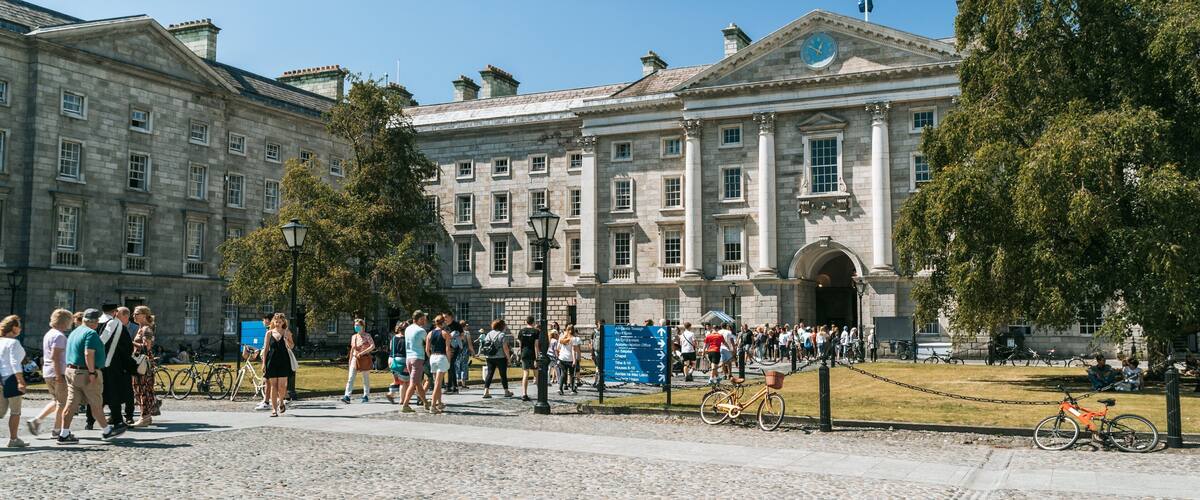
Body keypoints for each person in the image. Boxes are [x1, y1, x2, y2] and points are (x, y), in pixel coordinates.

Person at [58, 309, 122, 444]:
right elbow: (89, 353)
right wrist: (92, 372)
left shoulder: (75, 332)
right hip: (86, 373)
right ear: (94, 321)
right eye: (97, 321)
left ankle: (64, 433)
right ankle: (107, 431)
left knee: (71, 403)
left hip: (71, 371)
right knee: (96, 402)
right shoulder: (91, 333)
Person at [88, 305, 135, 430]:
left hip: (94, 363)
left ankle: (90, 421)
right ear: (115, 312)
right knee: (113, 392)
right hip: (113, 364)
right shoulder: (117, 325)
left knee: (96, 393)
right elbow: (127, 347)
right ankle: (117, 420)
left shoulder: (93, 325)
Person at [27, 309, 71, 438]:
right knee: (62, 404)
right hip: (57, 372)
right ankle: (57, 430)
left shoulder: (49, 334)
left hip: (48, 371)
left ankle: (37, 420)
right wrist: (59, 375)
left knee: (57, 401)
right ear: (65, 322)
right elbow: (55, 356)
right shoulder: (59, 336)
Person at [260, 313, 295, 417]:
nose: (278, 324)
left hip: (284, 361)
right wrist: (263, 363)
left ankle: (281, 402)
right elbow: (266, 349)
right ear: (273, 322)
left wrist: (287, 340)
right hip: (272, 362)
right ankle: (274, 410)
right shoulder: (269, 333)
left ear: (283, 322)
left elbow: (292, 346)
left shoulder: (287, 332)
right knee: (273, 386)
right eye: (276, 322)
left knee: (282, 386)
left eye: (280, 322)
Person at [1, 315, 28, 448]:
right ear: (13, 328)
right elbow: (14, 363)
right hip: (11, 378)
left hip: (0, 378)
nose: (20, 329)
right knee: (15, 411)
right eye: (19, 326)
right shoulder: (14, 343)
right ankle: (13, 439)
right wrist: (20, 380)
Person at [130, 306, 158, 427]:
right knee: (140, 389)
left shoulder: (146, 329)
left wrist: (129, 342)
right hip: (140, 362)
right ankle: (146, 416)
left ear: (144, 315)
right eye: (134, 313)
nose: (134, 315)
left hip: (143, 363)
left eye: (137, 313)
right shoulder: (141, 328)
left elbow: (147, 347)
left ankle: (145, 417)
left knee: (143, 390)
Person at [401, 311, 431, 413]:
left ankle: (426, 403)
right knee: (413, 383)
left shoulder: (407, 329)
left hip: (408, 358)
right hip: (417, 358)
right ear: (418, 319)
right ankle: (405, 405)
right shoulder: (421, 331)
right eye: (422, 319)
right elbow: (427, 344)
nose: (424, 321)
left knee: (418, 383)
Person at [342, 319, 374, 404]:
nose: (356, 327)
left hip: (365, 358)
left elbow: (372, 346)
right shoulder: (354, 337)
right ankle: (347, 396)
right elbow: (352, 349)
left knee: (365, 378)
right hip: (355, 358)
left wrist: (363, 352)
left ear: (362, 326)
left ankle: (366, 395)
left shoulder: (367, 336)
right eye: (355, 325)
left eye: (358, 325)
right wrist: (350, 359)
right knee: (350, 378)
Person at [426, 315, 453, 414]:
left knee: (437, 382)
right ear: (443, 322)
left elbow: (427, 349)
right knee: (438, 383)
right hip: (441, 357)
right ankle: (433, 405)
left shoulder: (429, 333)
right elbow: (447, 349)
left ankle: (440, 402)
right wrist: (449, 359)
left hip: (433, 357)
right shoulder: (445, 333)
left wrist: (430, 357)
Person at [480, 319, 513, 399]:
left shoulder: (488, 334)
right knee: (503, 375)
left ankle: (486, 391)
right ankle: (506, 391)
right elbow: (505, 348)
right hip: (500, 357)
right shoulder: (502, 335)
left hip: (490, 357)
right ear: (501, 326)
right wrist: (509, 359)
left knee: (490, 374)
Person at [516, 316, 540, 402]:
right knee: (537, 374)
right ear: (533, 322)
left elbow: (520, 344)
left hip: (524, 354)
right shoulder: (536, 331)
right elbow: (536, 346)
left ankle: (524, 394)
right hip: (532, 354)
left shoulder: (521, 331)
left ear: (526, 322)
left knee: (525, 373)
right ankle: (540, 394)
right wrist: (537, 358)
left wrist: (520, 354)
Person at [385, 322, 409, 404]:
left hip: (392, 360)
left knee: (397, 380)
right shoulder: (407, 339)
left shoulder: (394, 338)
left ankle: (391, 394)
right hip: (402, 360)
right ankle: (402, 400)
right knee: (404, 382)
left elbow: (391, 348)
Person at [255, 313, 274, 411]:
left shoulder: (271, 331)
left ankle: (267, 401)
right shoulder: (269, 330)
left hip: (270, 359)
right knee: (269, 381)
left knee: (268, 380)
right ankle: (267, 400)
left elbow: (268, 347)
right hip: (268, 358)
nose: (263, 322)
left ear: (268, 320)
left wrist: (264, 361)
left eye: (264, 320)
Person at [557, 325, 581, 395]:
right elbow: (573, 350)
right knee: (572, 375)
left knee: (563, 374)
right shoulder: (574, 339)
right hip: (569, 358)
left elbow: (558, 348)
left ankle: (560, 388)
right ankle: (573, 389)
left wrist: (559, 355)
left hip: (562, 358)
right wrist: (574, 360)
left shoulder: (562, 338)